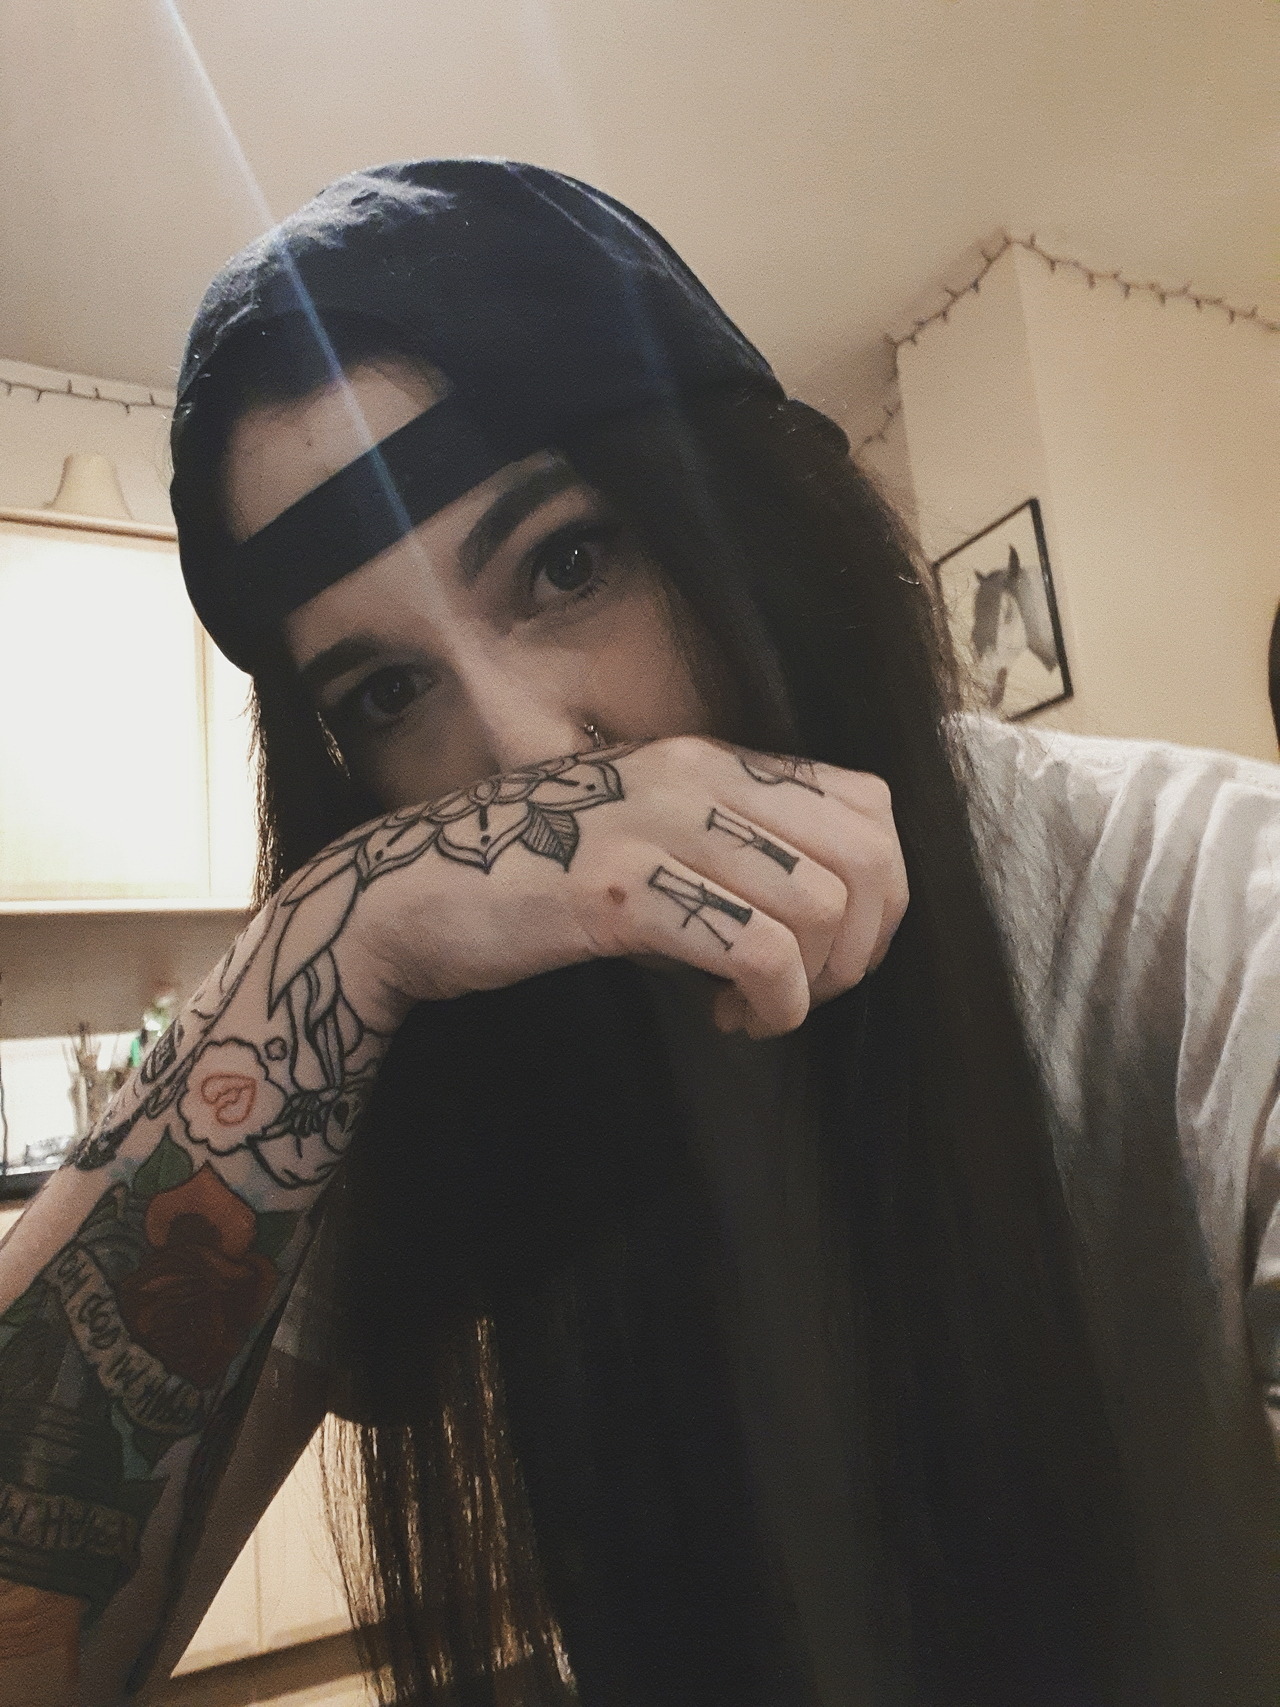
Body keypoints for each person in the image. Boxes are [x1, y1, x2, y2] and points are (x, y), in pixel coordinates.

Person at [0, 160, 1278, 1707]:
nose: (525, 753)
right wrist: (322, 935)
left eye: (569, 563)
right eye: (387, 694)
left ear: (750, 525)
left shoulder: (1210, 913)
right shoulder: (413, 1041)